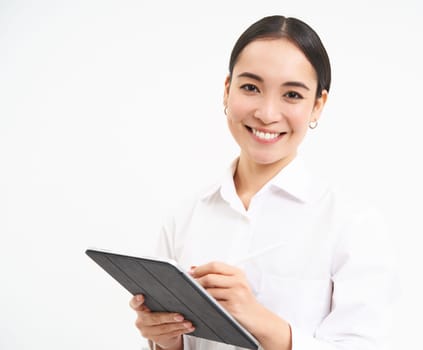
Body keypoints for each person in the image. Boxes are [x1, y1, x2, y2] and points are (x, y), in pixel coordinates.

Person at [129, 15, 398, 350]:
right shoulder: (185, 217)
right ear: (227, 90)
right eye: (251, 88)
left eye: (292, 95)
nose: (268, 113)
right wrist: (167, 342)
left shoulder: (353, 224)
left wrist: (260, 320)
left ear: (318, 106)